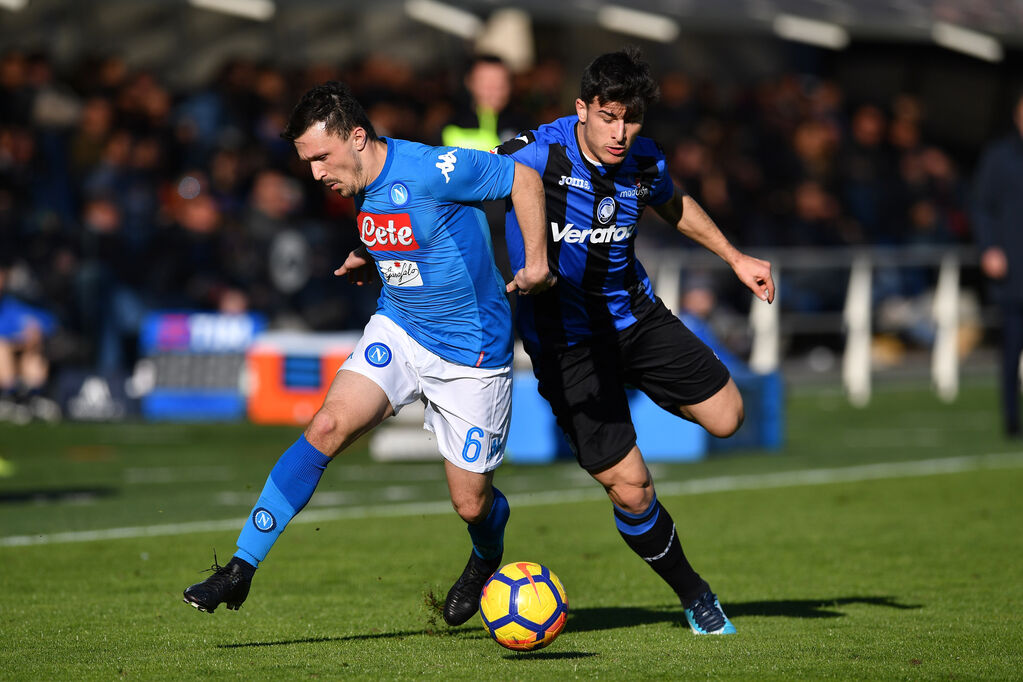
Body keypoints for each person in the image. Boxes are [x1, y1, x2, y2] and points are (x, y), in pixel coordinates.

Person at [182, 81, 553, 625]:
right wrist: (366, 250)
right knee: (326, 427)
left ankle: (486, 555)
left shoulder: (432, 168)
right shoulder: (357, 178)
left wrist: (537, 261)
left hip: (471, 351)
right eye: (307, 161)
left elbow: (522, 177)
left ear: (358, 137)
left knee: (471, 503)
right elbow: (396, 221)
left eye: (321, 158)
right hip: (400, 328)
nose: (315, 174)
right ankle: (240, 567)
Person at [496, 48, 775, 635]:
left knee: (728, 416)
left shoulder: (642, 158)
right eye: (609, 116)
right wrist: (375, 247)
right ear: (582, 109)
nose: (621, 132)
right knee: (632, 488)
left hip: (635, 318)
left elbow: (671, 202)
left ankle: (633, 389)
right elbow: (455, 189)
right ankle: (695, 593)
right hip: (566, 344)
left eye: (632, 118)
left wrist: (735, 257)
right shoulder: (537, 152)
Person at [972, 89, 1023, 439]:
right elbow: (980, 206)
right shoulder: (999, 157)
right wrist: (989, 248)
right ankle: (1011, 421)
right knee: (1011, 350)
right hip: (1014, 273)